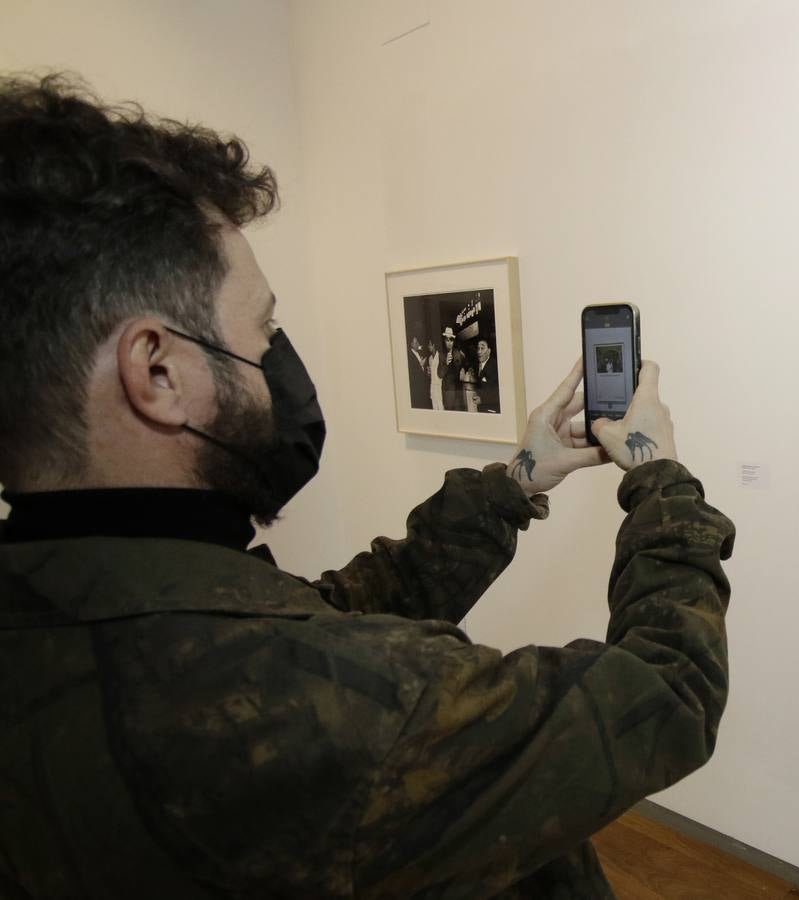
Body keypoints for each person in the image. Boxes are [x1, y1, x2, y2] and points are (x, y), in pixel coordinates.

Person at [0, 73, 734, 899]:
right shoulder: (350, 708)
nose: (278, 361)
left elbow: (331, 612)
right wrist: (661, 482)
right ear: (158, 371)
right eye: (264, 329)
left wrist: (518, 482)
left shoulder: (97, 609)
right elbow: (664, 698)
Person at [474, 336, 501, 413]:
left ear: (489, 351)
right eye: (478, 348)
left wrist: (482, 400)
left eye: (482, 348)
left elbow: (499, 391)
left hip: (492, 409)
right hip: (482, 409)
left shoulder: (494, 366)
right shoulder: (479, 365)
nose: (479, 352)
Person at [407, 334, 432, 409]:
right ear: (411, 344)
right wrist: (421, 365)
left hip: (423, 386)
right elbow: (411, 372)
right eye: (416, 342)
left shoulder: (418, 353)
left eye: (417, 342)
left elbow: (421, 369)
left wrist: (426, 369)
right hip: (417, 388)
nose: (418, 344)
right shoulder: (409, 356)